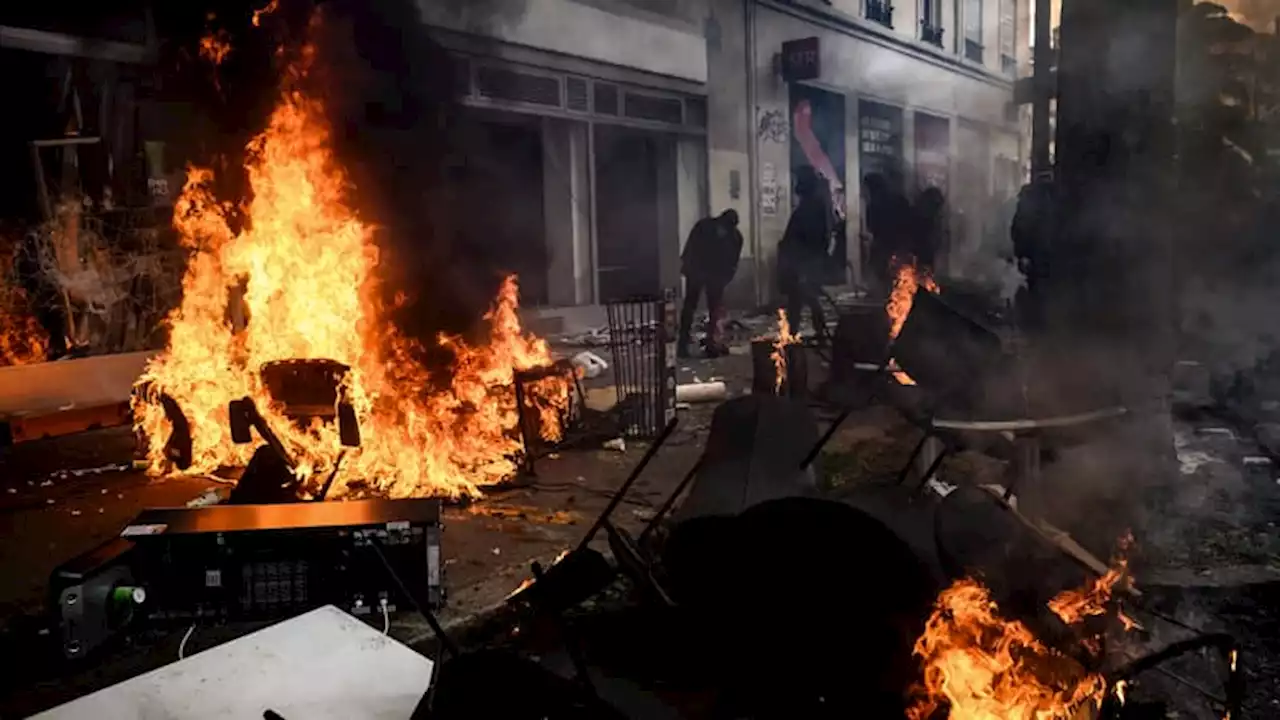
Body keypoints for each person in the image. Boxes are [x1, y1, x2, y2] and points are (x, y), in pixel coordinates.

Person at [777, 166, 833, 342]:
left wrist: (803, 263)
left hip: (805, 261)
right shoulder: (813, 204)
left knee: (804, 297)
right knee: (802, 298)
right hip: (804, 260)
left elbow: (809, 236)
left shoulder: (812, 207)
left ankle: (804, 332)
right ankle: (803, 332)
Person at [678, 209, 743, 358]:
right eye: (722, 229)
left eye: (726, 230)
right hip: (697, 271)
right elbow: (690, 250)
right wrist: (689, 270)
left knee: (715, 311)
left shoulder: (735, 238)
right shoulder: (703, 227)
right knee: (689, 307)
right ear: (718, 222)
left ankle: (712, 343)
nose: (723, 232)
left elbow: (733, 262)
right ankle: (682, 344)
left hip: (716, 275)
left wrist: (725, 279)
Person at [862, 173, 913, 292]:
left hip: (884, 247)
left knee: (882, 277)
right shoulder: (900, 199)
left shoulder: (873, 206)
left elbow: (873, 228)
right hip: (902, 247)